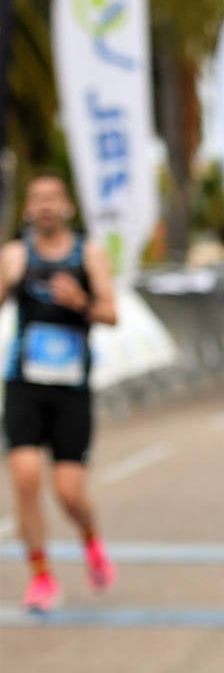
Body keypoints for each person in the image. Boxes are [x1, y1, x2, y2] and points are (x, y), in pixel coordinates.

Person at [1, 172, 118, 611]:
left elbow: (112, 313)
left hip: (71, 388)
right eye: (37, 199)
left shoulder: (88, 254)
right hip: (24, 384)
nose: (45, 206)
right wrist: (6, 280)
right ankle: (41, 577)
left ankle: (91, 542)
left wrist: (80, 304)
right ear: (28, 209)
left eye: (53, 198)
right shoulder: (14, 255)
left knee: (68, 491)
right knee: (26, 478)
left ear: (67, 205)